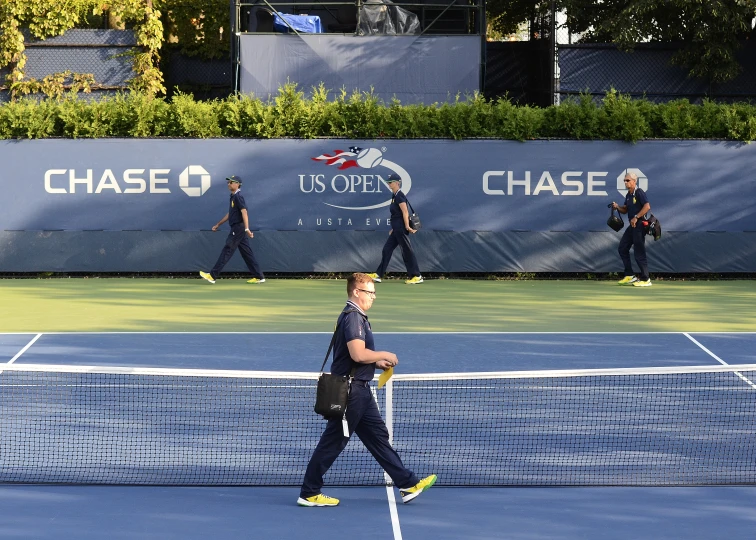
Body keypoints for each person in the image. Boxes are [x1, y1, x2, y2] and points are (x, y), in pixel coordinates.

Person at [298, 273, 437, 507]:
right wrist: (384, 354)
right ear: (356, 292)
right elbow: (357, 354)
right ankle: (309, 492)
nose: (373, 297)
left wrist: (375, 364)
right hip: (351, 393)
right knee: (333, 442)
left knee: (378, 438)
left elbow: (354, 357)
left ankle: (407, 484)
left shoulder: (357, 316)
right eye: (369, 292)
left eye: (374, 292)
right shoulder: (353, 317)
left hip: (361, 391)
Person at [199, 175, 265, 284]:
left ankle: (212, 276)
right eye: (228, 182)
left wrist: (247, 228)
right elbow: (231, 213)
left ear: (237, 184)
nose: (229, 184)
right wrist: (218, 224)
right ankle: (259, 276)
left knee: (227, 250)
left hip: (238, 228)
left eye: (231, 182)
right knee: (247, 253)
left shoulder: (238, 197)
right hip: (238, 228)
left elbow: (244, 212)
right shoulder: (233, 196)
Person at [366, 174, 423, 285]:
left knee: (407, 252)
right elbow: (396, 214)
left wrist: (406, 226)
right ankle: (378, 275)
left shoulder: (399, 196)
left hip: (401, 228)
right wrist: (394, 228)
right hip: (397, 228)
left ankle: (417, 276)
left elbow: (405, 212)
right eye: (388, 182)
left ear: (398, 183)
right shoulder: (394, 195)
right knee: (386, 250)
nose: (389, 184)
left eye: (391, 182)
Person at [612, 172, 652, 287]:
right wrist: (617, 207)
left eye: (627, 180)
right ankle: (630, 275)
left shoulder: (639, 192)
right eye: (624, 180)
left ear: (634, 181)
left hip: (640, 225)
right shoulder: (628, 195)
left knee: (639, 252)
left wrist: (636, 217)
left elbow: (647, 206)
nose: (625, 182)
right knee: (622, 248)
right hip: (632, 226)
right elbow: (625, 210)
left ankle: (645, 279)